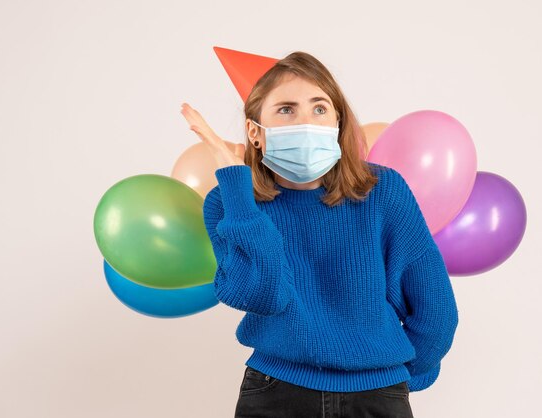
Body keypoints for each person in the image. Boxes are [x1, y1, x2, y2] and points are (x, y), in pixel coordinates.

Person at [181, 51, 459, 418]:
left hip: (378, 396)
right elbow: (259, 294)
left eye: (319, 108)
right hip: (275, 394)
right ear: (255, 131)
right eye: (285, 109)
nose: (305, 122)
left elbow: (436, 310)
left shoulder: (383, 191)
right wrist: (238, 188)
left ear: (337, 122)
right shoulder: (228, 202)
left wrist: (394, 378)